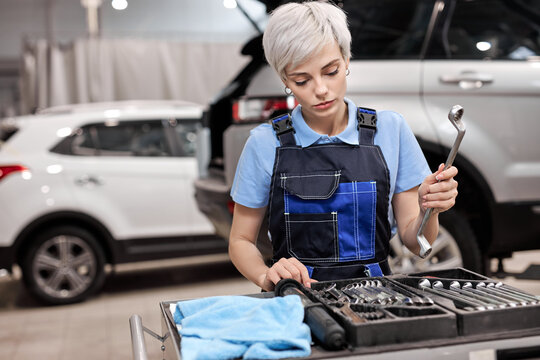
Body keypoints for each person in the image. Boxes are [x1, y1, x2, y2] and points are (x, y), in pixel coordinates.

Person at [228, 0, 458, 292]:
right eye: (302, 80)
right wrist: (266, 275)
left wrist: (430, 209)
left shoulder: (391, 130)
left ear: (346, 60)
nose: (321, 90)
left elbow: (416, 244)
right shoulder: (264, 143)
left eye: (331, 71)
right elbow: (240, 241)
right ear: (285, 78)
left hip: (374, 300)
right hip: (295, 300)